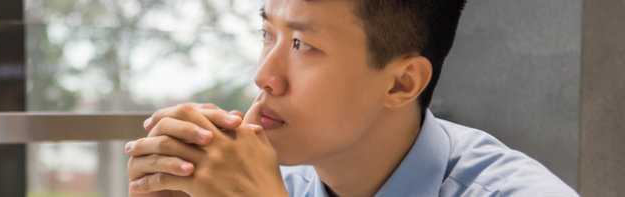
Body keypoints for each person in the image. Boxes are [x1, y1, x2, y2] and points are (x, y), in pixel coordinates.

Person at [124, 0, 579, 196]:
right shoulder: (281, 184)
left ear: (401, 84)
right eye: (267, 34)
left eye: (303, 45)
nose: (264, 76)